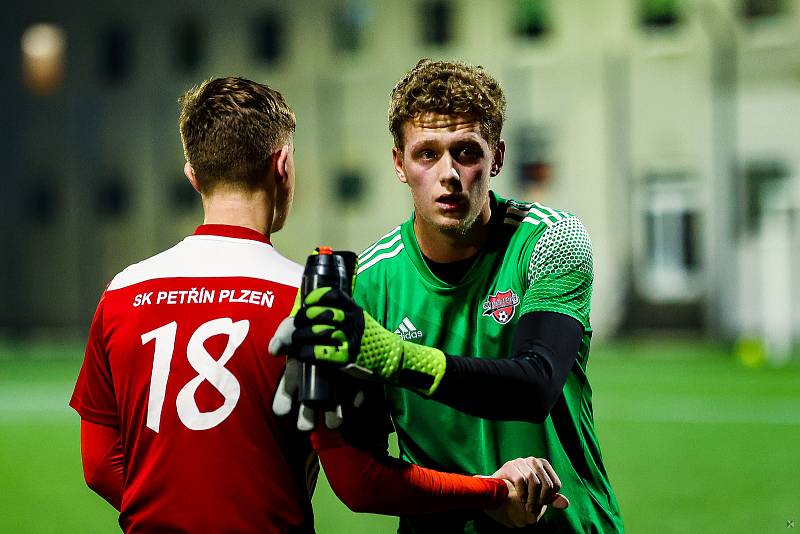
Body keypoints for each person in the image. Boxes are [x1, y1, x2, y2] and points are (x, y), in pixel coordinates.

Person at [69, 76, 567, 533]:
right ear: (283, 166)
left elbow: (98, 465)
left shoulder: (123, 291)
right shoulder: (313, 306)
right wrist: (491, 489)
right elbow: (358, 482)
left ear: (193, 176)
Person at [286, 59, 624, 532]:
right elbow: (369, 475)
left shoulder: (551, 240)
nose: (449, 173)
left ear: (498, 158)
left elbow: (536, 385)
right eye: (427, 154)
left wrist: (395, 357)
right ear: (399, 164)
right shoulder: (370, 281)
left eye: (466, 151)